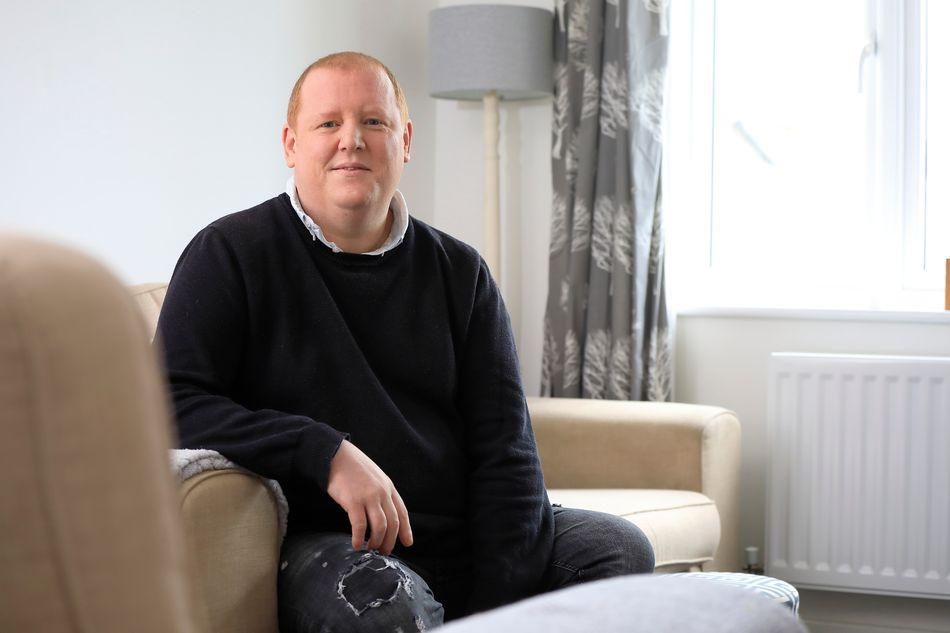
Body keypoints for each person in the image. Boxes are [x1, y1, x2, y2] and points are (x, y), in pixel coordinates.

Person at [157, 51, 654, 632]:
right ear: (291, 145)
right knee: (384, 605)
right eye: (328, 124)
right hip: (332, 543)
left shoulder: (460, 271)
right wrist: (324, 452)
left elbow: (507, 453)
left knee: (618, 549)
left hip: (459, 532)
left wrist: (499, 608)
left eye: (374, 121)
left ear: (405, 140)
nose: (352, 141)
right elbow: (169, 404)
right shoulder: (230, 254)